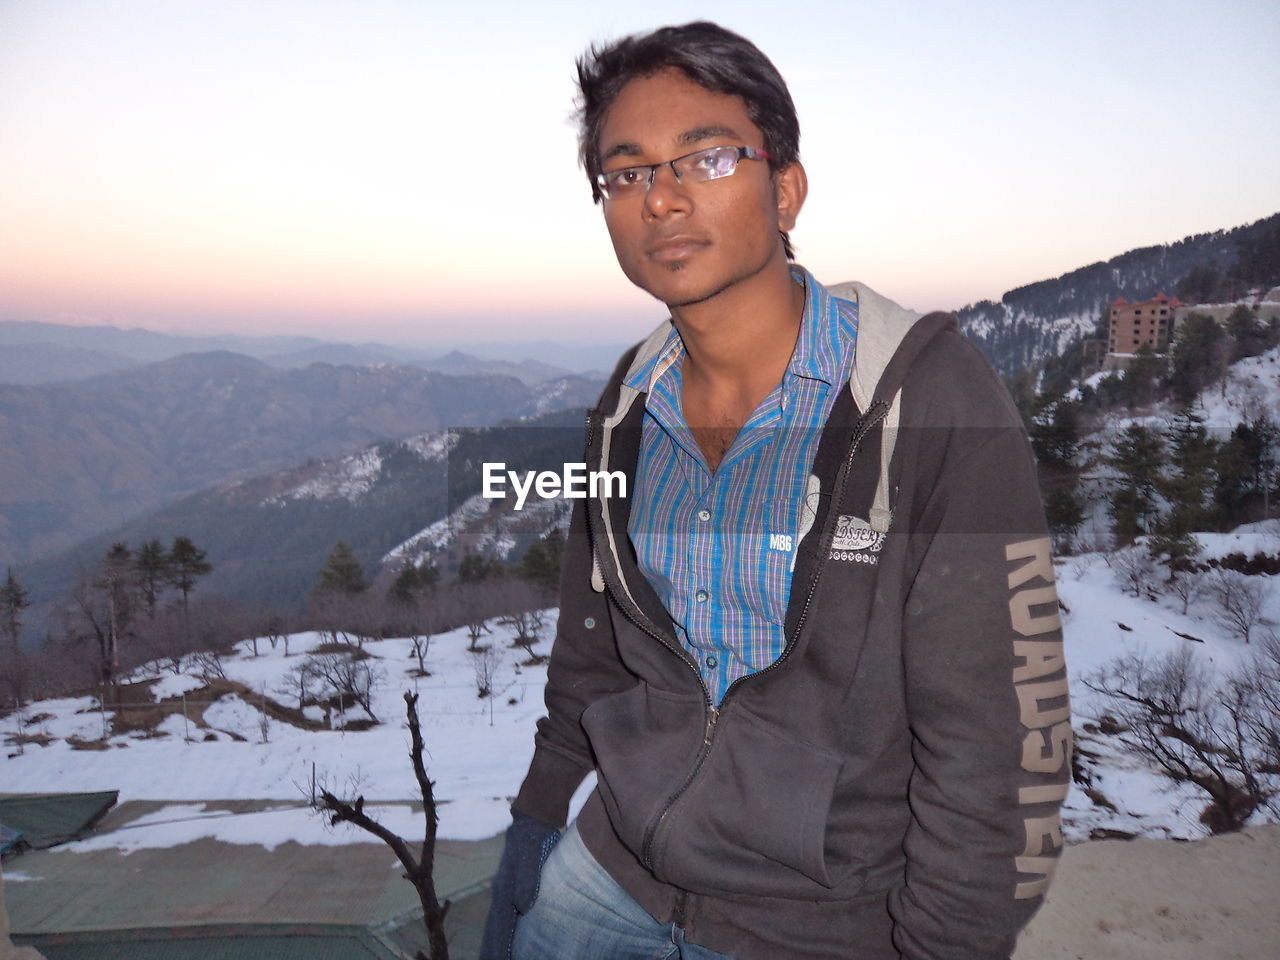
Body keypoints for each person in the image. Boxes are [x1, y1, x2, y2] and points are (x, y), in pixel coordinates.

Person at [480, 20, 1069, 960]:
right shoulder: (626, 405)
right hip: (609, 880)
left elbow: (998, 747)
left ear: (784, 188)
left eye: (705, 159)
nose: (661, 198)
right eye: (626, 173)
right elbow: (589, 652)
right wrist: (539, 820)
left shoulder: (926, 398)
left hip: (827, 920)